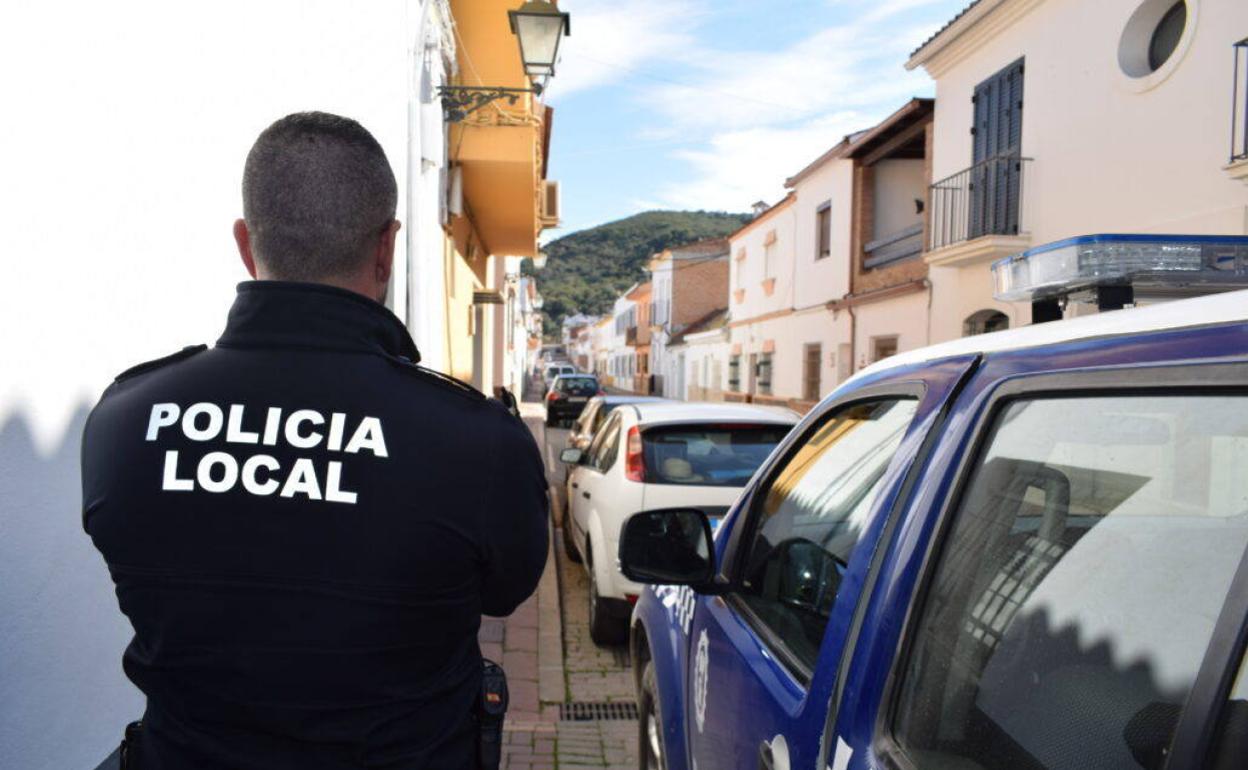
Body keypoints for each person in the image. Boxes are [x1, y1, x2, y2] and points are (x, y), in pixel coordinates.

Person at [82, 112, 549, 769]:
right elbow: (503, 592)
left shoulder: (125, 419)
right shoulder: (479, 444)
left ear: (247, 245)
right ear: (386, 248)